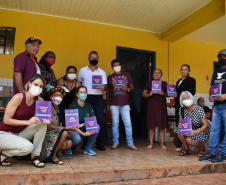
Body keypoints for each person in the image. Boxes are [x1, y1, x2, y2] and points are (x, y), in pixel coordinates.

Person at [0, 74, 49, 167]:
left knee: (42, 124)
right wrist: (27, 122)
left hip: (18, 134)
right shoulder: (18, 97)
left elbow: (38, 120)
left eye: (40, 86)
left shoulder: (39, 100)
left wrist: (46, 120)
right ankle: (4, 154)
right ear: (29, 84)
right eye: (35, 84)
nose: (38, 88)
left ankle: (34, 157)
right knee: (28, 148)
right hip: (3, 133)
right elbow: (6, 120)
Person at [77, 51, 107, 151]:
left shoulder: (102, 72)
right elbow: (78, 84)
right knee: (86, 120)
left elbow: (106, 86)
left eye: (96, 58)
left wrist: (104, 87)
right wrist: (77, 96)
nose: (94, 59)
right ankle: (85, 143)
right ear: (89, 58)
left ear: (98, 59)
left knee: (99, 120)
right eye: (92, 57)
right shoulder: (82, 70)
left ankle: (100, 143)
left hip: (98, 98)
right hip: (86, 98)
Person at [200, 49, 226, 162]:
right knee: (214, 130)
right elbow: (212, 88)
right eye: (220, 57)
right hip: (217, 106)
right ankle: (211, 152)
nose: (222, 58)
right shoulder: (215, 73)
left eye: (224, 56)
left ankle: (222, 152)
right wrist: (210, 95)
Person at [107, 59, 138, 151]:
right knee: (115, 124)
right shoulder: (110, 77)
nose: (117, 66)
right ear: (112, 67)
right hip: (113, 103)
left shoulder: (127, 75)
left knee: (128, 123)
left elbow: (132, 87)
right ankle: (115, 142)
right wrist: (107, 104)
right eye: (115, 65)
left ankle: (130, 143)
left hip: (125, 103)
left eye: (118, 64)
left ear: (120, 65)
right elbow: (108, 90)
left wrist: (127, 89)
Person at [40, 87, 74, 165]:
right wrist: (64, 128)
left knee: (69, 143)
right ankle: (53, 156)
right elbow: (48, 126)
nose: (58, 97)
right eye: (55, 95)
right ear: (50, 96)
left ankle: (52, 152)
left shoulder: (58, 108)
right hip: (47, 134)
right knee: (64, 131)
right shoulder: (50, 107)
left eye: (60, 95)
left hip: (54, 133)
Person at [67, 86, 99, 156]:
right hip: (73, 129)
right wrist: (83, 133)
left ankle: (87, 148)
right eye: (81, 92)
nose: (83, 94)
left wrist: (83, 124)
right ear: (77, 94)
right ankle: (68, 146)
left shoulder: (88, 105)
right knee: (77, 139)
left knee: (97, 126)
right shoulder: (72, 106)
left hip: (83, 127)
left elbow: (92, 121)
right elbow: (71, 126)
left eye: (85, 92)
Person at [176, 91, 210, 156]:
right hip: (191, 129)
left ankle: (201, 147)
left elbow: (206, 124)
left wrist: (196, 132)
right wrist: (180, 125)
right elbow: (181, 123)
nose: (186, 99)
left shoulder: (199, 109)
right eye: (184, 98)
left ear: (191, 98)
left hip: (201, 130)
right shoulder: (182, 109)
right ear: (181, 101)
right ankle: (186, 149)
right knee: (178, 131)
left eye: (188, 97)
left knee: (188, 140)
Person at [142, 69, 168, 150]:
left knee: (162, 126)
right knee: (151, 125)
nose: (157, 74)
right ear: (153, 74)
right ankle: (151, 144)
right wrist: (149, 94)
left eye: (158, 73)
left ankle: (162, 144)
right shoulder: (149, 83)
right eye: (155, 73)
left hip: (161, 106)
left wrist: (164, 94)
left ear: (161, 75)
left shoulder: (164, 84)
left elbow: (170, 94)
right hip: (152, 106)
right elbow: (143, 94)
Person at [175, 64, 196, 151]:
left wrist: (180, 95)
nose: (183, 71)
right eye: (182, 69)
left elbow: (192, 92)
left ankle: (187, 144)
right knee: (179, 124)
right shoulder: (178, 81)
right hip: (178, 104)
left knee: (186, 123)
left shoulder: (191, 80)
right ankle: (180, 145)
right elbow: (176, 92)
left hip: (186, 105)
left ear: (189, 71)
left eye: (185, 70)